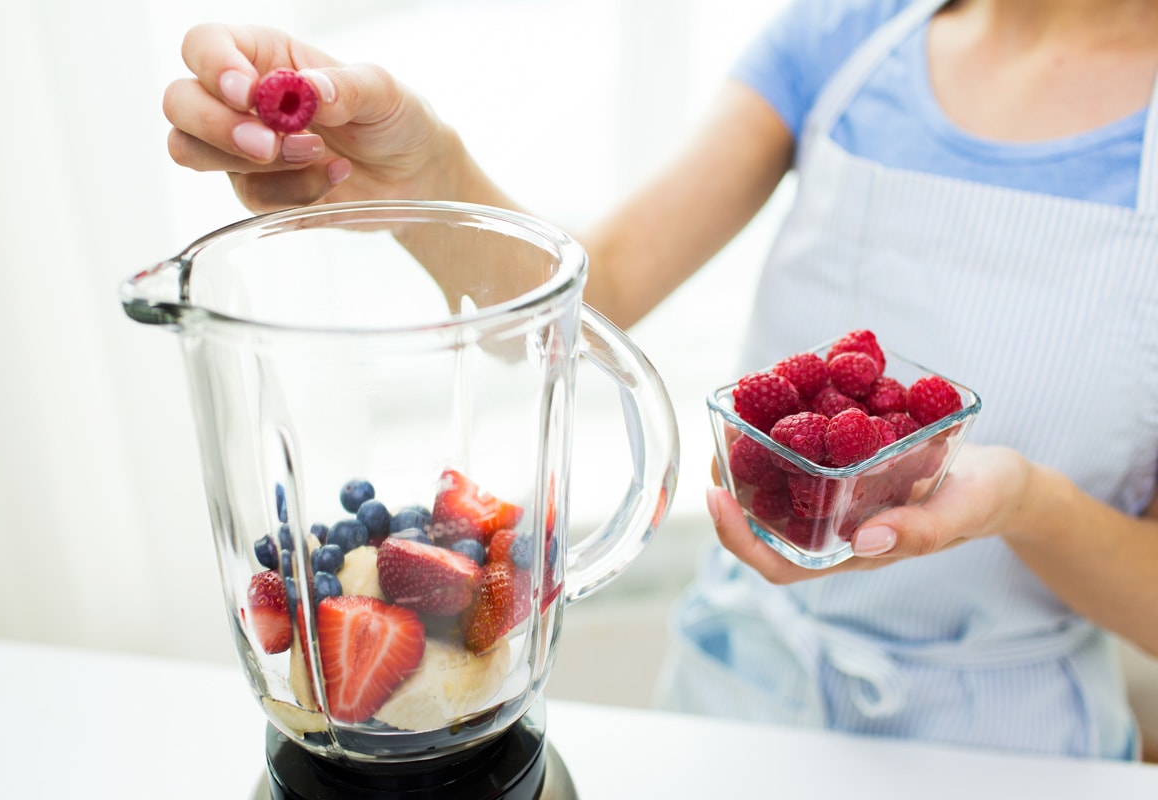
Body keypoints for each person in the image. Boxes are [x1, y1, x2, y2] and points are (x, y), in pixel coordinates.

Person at [163, 0, 1158, 760]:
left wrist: (1025, 502)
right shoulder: (853, 33)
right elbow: (600, 293)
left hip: (1013, 742)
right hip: (743, 698)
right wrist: (418, 167)